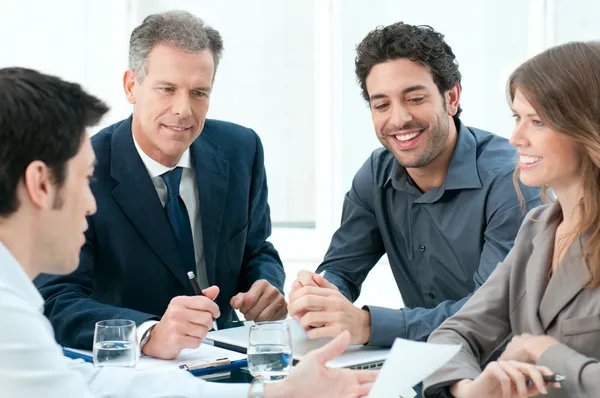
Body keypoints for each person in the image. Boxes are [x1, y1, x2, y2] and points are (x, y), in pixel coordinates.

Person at [0, 66, 378, 398]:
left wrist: (269, 393)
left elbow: (94, 383)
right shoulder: (8, 313)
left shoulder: (239, 148)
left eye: (199, 91)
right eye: (84, 179)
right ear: (41, 184)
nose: (90, 203)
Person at [35, 10, 287, 360]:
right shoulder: (80, 168)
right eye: (167, 89)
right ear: (131, 87)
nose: (183, 109)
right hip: (130, 371)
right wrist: (147, 332)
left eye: (199, 92)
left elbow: (257, 249)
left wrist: (265, 285)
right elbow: (56, 298)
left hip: (229, 358)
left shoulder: (242, 149)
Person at [289, 22, 540, 348]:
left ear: (451, 97)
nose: (398, 119)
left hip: (510, 372)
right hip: (424, 367)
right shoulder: (376, 175)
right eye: (382, 105)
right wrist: (321, 294)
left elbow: (493, 313)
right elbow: (342, 268)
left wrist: (367, 324)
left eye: (415, 98)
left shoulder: (512, 183)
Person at [423, 41, 600, 398]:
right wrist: (469, 389)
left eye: (538, 121)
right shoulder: (537, 228)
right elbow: (453, 334)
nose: (516, 137)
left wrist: (540, 350)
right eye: (517, 118)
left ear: (587, 126)